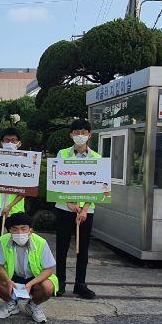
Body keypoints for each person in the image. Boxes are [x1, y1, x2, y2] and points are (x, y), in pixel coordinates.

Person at [53, 118, 99, 300]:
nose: (80, 136)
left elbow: (97, 185)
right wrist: (70, 204)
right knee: (62, 247)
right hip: (65, 208)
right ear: (71, 135)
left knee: (83, 249)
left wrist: (85, 208)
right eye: (76, 132)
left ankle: (80, 284)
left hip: (86, 211)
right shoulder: (62, 154)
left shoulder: (96, 157)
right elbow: (56, 180)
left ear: (89, 135)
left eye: (83, 132)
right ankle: (60, 282)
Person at [0, 211, 58, 324]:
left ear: (31, 230)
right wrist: (7, 280)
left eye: (24, 229)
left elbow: (49, 269)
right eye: (15, 229)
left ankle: (33, 305)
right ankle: (12, 303)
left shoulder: (41, 242)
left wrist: (30, 284)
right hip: (13, 277)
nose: (19, 232)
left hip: (34, 279)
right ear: (9, 230)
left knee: (48, 287)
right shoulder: (3, 240)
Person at [0, 126, 28, 285]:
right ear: (1, 143)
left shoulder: (25, 161)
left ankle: (10, 276)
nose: (10, 143)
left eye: (13, 140)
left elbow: (25, 189)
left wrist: (10, 206)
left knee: (13, 244)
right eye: (7, 140)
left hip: (14, 212)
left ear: (19, 143)